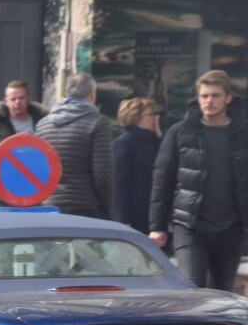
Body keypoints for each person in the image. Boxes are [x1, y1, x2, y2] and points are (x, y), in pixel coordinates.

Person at [149, 70, 248, 291]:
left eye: (215, 95)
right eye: (204, 96)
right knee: (192, 288)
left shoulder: (243, 133)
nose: (209, 101)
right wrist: (157, 226)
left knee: (222, 292)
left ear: (228, 98)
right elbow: (162, 179)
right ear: (198, 97)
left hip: (231, 227)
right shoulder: (180, 132)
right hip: (190, 225)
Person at [35, 72, 113, 218]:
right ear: (92, 94)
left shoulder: (43, 124)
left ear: (66, 93)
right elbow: (102, 175)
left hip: (49, 206)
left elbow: (38, 169)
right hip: (85, 206)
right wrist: (108, 206)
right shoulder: (97, 122)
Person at [0, 81, 47, 210]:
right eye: (13, 99)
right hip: (1, 197)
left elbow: (51, 156)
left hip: (36, 195)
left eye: (21, 98)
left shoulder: (43, 121)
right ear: (6, 101)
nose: (17, 102)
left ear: (28, 98)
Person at [112, 97, 162, 235]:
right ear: (137, 118)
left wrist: (159, 138)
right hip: (135, 214)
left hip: (151, 212)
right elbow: (119, 184)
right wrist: (123, 219)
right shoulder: (124, 143)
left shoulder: (153, 142)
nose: (155, 118)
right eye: (150, 115)